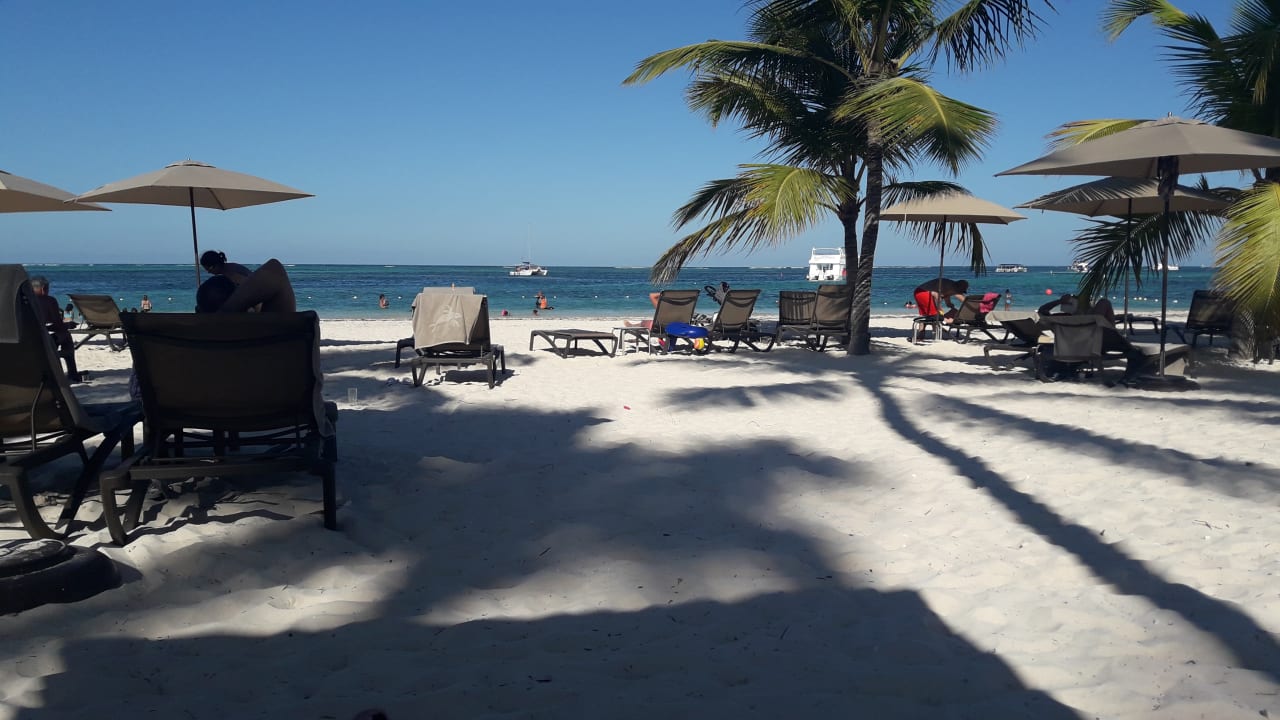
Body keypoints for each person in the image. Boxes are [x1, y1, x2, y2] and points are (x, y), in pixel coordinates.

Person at [28, 275, 83, 382]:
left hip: (28, 339)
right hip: (44, 340)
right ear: (43, 289)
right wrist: (68, 325)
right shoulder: (49, 300)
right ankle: (72, 373)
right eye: (48, 288)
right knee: (66, 336)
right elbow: (57, 324)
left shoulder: (23, 301)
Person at [196, 259, 296, 313]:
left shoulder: (198, 337)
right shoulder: (263, 333)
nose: (209, 272)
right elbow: (275, 268)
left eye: (208, 269)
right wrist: (225, 312)